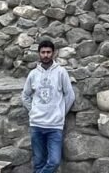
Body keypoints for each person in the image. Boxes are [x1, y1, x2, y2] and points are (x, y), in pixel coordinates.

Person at [21, 39, 75, 173]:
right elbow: (25, 96)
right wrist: (33, 111)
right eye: (43, 52)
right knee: (38, 162)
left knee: (54, 161)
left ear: (54, 53)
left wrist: (60, 113)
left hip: (54, 126)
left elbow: (70, 95)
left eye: (48, 52)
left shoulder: (61, 72)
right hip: (36, 124)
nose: (46, 55)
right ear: (39, 54)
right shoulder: (33, 74)